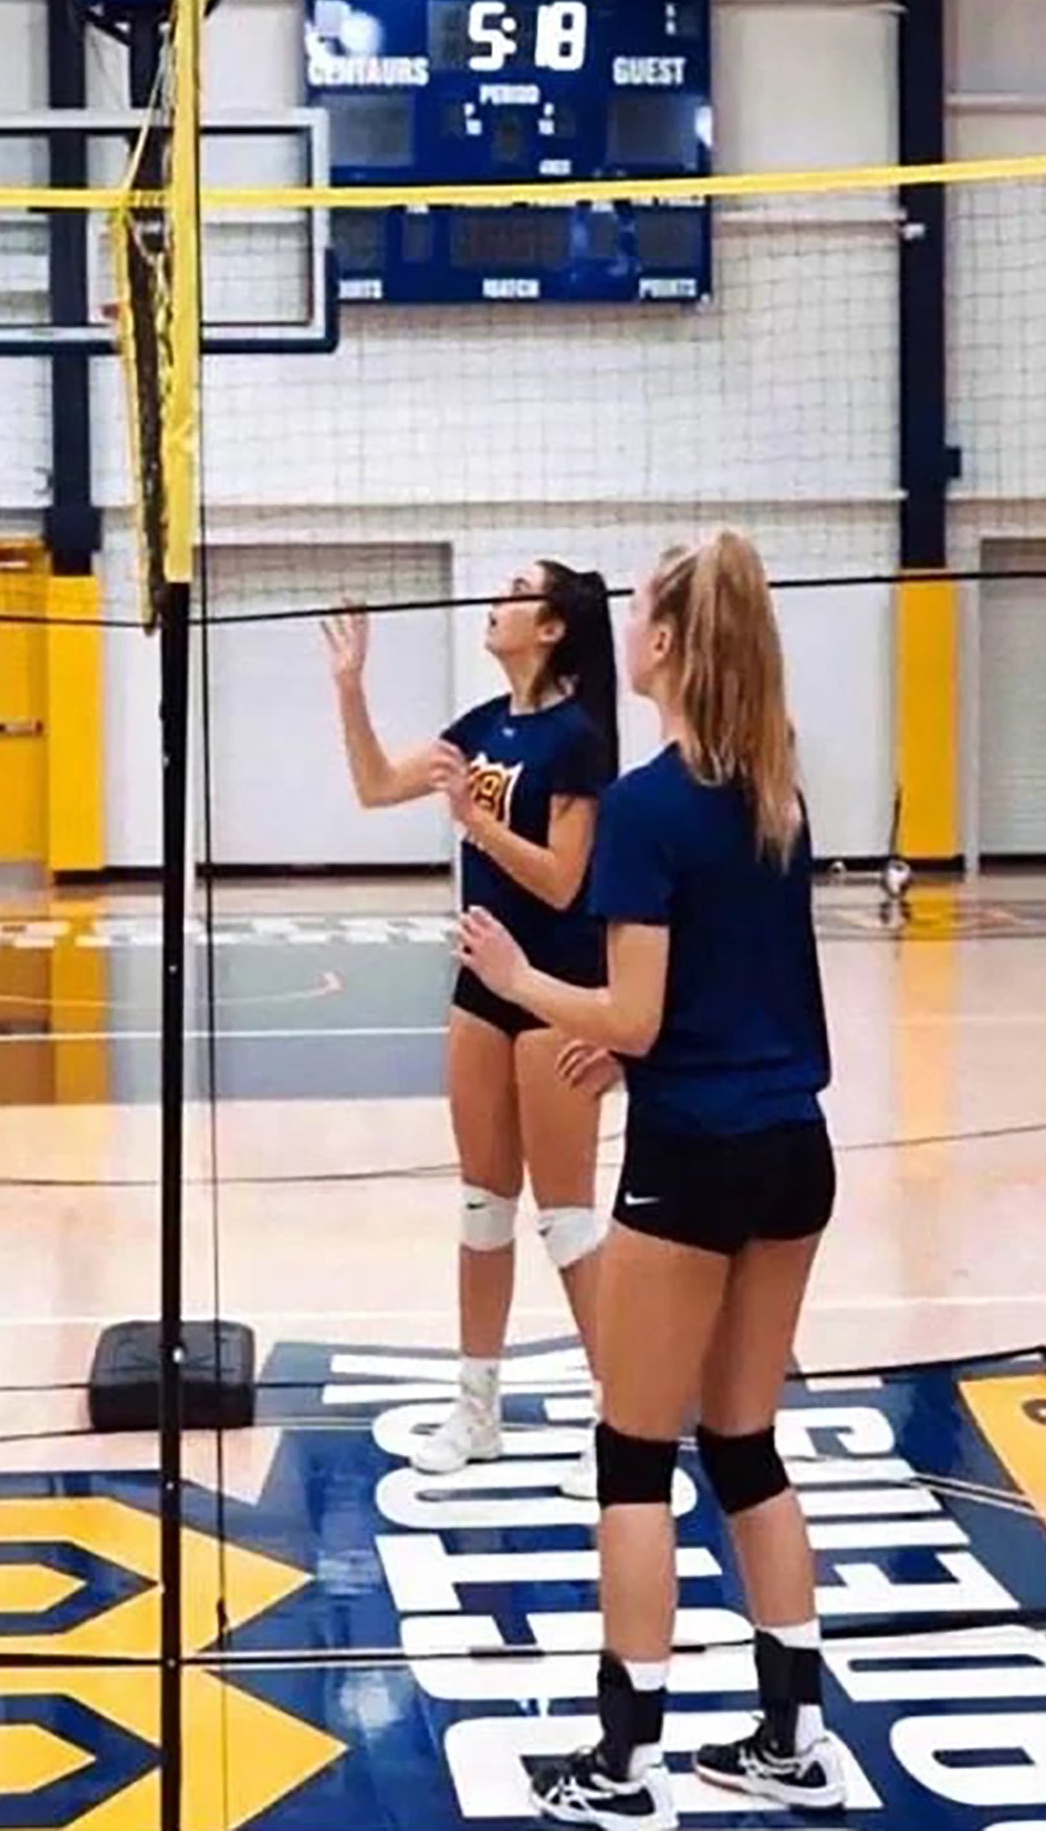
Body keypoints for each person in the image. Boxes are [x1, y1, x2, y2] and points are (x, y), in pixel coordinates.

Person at [457, 530, 844, 1831]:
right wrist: (631, 1048)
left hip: (696, 1159)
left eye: (637, 614)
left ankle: (623, 1766)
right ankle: (792, 1739)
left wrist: (520, 982)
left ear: (667, 642)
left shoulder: (646, 805)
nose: (623, 630)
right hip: (794, 1149)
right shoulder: (775, 791)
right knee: (741, 1441)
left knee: (631, 1453)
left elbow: (632, 1008)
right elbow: (724, 991)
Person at [323, 562, 616, 1487]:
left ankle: (621, 1419)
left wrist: (474, 821)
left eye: (518, 589)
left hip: (556, 989)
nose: (496, 599)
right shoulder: (483, 726)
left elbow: (564, 882)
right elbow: (375, 786)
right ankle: (476, 1409)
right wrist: (351, 690)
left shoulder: (579, 740)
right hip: (482, 987)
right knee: (484, 1206)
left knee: (566, 1217)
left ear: (553, 627)